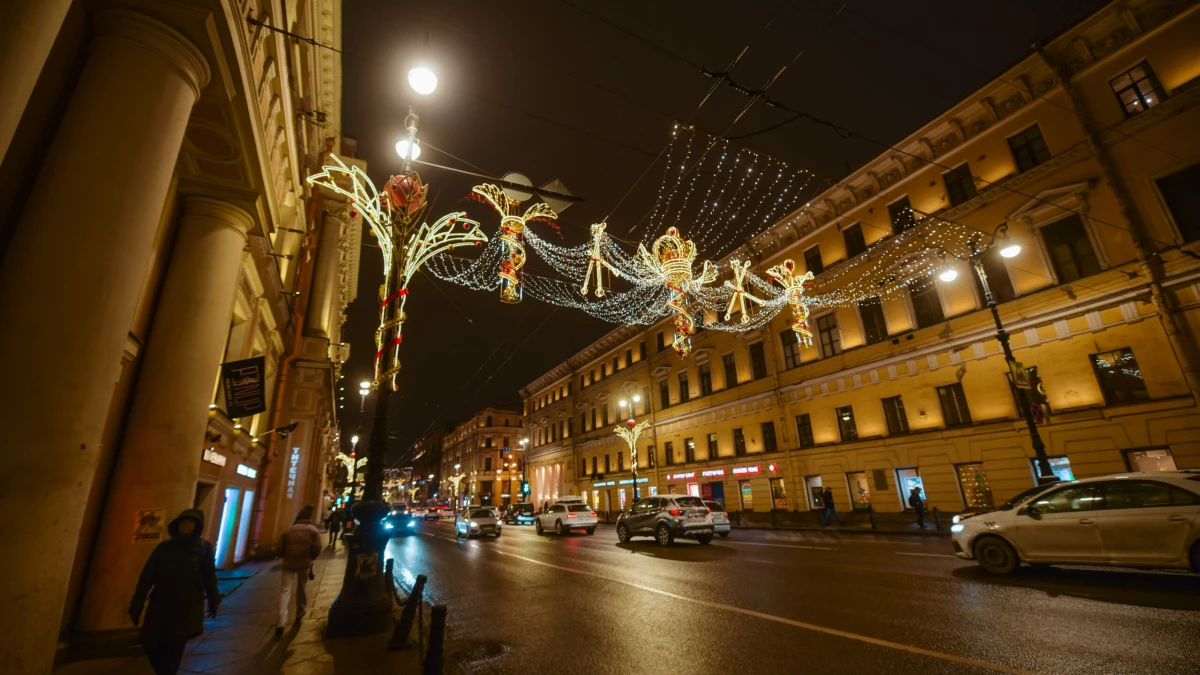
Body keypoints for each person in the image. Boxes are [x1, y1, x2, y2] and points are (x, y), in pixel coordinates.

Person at [128, 509, 219, 675]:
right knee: (150, 643)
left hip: (186, 607)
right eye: (184, 521)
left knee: (174, 649)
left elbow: (209, 576)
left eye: (191, 522)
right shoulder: (164, 547)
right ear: (177, 525)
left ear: (197, 526)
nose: (186, 525)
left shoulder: (203, 548)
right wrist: (137, 602)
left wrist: (214, 600)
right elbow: (147, 576)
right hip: (160, 605)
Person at [277, 504, 321, 636]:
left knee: (285, 591)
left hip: (288, 564)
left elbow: (279, 549)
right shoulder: (313, 531)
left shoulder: (289, 530)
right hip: (304, 564)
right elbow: (317, 547)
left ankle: (280, 621)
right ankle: (299, 613)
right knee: (301, 588)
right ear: (309, 517)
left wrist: (286, 556)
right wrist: (311, 557)